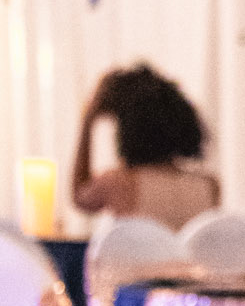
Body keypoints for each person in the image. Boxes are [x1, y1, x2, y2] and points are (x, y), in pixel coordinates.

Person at [71, 65, 219, 228]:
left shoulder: (119, 182)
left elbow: (79, 196)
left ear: (127, 131)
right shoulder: (209, 186)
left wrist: (88, 120)